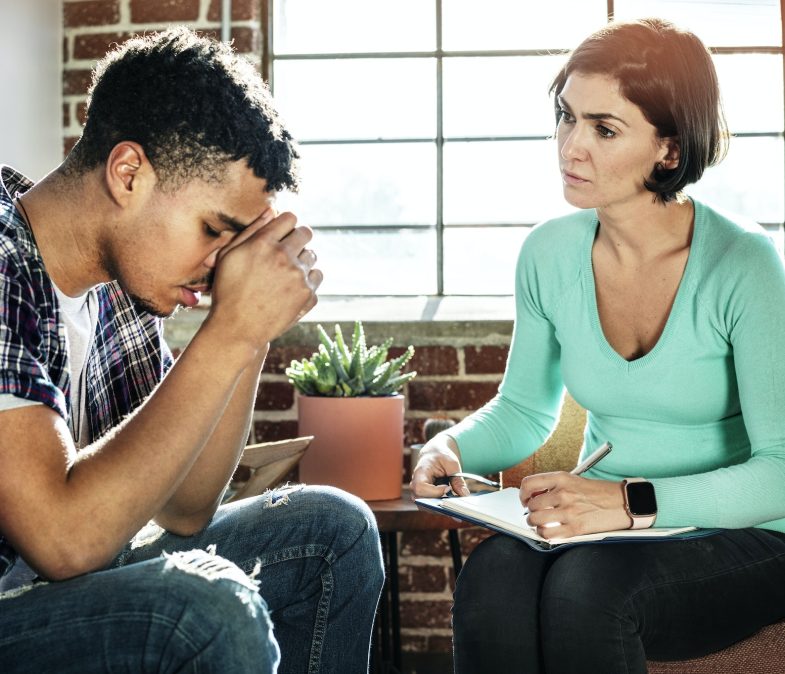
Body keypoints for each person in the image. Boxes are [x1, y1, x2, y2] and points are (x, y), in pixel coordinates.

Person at [0, 27, 384, 673]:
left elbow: (185, 507)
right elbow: (63, 540)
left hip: (40, 589)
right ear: (129, 173)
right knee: (205, 607)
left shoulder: (117, 288)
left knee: (333, 530)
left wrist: (248, 329)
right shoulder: (5, 261)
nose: (215, 265)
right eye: (213, 229)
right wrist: (230, 328)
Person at [411, 17, 785, 673]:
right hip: (602, 526)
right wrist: (449, 447)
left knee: (589, 591)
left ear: (668, 150)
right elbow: (525, 409)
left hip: (744, 532)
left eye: (603, 129)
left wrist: (624, 502)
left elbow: (779, 472)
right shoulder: (548, 253)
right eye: (565, 117)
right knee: (493, 575)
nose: (569, 146)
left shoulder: (744, 265)